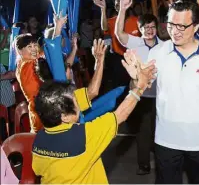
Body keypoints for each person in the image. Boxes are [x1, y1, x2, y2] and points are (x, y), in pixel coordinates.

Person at [122, 0, 199, 184]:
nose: (174, 31)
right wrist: (135, 78)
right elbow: (141, 88)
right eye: (171, 24)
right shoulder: (158, 52)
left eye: (181, 26)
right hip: (166, 141)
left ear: (196, 26)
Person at [31, 46, 156, 183]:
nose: (79, 103)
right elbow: (120, 115)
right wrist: (140, 87)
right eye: (76, 103)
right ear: (64, 117)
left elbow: (38, 170)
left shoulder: (39, 139)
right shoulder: (85, 136)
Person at [115, 0, 163, 175]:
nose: (149, 30)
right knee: (143, 131)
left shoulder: (165, 46)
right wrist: (123, 10)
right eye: (146, 27)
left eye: (152, 27)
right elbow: (119, 33)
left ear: (156, 27)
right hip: (140, 95)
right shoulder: (135, 43)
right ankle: (144, 164)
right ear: (140, 29)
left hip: (160, 95)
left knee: (160, 130)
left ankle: (161, 159)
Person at [92, 0, 140, 86]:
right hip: (118, 60)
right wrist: (103, 9)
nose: (120, 7)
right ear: (115, 7)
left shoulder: (137, 21)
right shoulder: (112, 21)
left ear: (128, 4)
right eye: (117, 5)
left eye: (121, 3)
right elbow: (104, 28)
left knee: (136, 86)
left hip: (135, 58)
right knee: (120, 86)